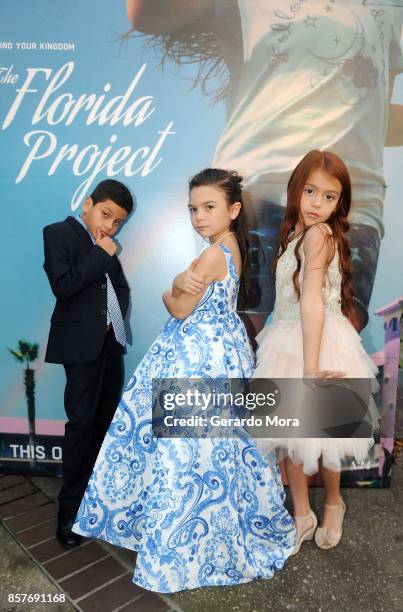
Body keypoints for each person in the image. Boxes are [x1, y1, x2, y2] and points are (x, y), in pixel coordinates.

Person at [72, 168, 295, 593]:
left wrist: (169, 289)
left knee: (185, 455)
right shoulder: (228, 247)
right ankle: (212, 537)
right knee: (213, 453)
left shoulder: (212, 254)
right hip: (220, 353)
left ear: (233, 210)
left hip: (198, 357)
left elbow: (177, 309)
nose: (199, 216)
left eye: (209, 207)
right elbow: (184, 298)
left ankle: (182, 547)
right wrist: (175, 285)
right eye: (193, 208)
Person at [126, 0, 403, 331]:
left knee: (332, 348)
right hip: (259, 188)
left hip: (349, 204)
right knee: (237, 340)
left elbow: (372, 108)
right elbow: (147, 11)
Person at [253, 150, 378, 553]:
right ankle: (302, 514)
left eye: (329, 197)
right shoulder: (295, 235)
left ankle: (335, 504)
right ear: (296, 189)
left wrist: (310, 365)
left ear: (340, 202)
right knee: (291, 435)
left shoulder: (319, 235)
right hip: (288, 337)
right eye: (310, 191)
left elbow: (311, 299)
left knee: (325, 433)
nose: (317, 204)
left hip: (318, 342)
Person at [43, 179, 134, 546]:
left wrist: (115, 319)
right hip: (80, 348)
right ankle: (69, 514)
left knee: (105, 424)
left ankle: (100, 506)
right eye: (105, 214)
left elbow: (119, 289)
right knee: (82, 425)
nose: (109, 226)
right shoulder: (59, 233)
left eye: (117, 222)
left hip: (110, 345)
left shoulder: (106, 246)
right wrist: (102, 253)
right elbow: (63, 285)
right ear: (88, 204)